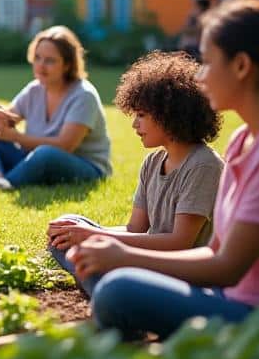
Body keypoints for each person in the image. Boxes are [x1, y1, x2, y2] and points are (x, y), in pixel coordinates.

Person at [69, 0, 259, 339]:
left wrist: (124, 257)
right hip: (234, 299)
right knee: (114, 283)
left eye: (206, 61)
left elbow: (227, 268)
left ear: (241, 66)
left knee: (117, 290)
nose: (200, 76)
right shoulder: (243, 140)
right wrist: (115, 253)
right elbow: (214, 252)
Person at [47, 51, 223, 295]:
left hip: (178, 274)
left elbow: (179, 243)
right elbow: (135, 229)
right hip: (143, 258)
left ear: (170, 114)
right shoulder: (153, 162)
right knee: (68, 226)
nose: (134, 124)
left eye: (141, 115)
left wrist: (91, 236)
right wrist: (78, 234)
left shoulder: (203, 165)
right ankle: (103, 284)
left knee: (82, 241)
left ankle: (106, 287)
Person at [0, 26, 111, 190]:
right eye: (37, 58)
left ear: (67, 65)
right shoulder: (34, 89)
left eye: (50, 60)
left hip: (85, 167)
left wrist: (16, 137)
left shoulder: (84, 95)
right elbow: (7, 120)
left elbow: (65, 146)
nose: (40, 66)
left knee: (45, 154)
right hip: (34, 157)